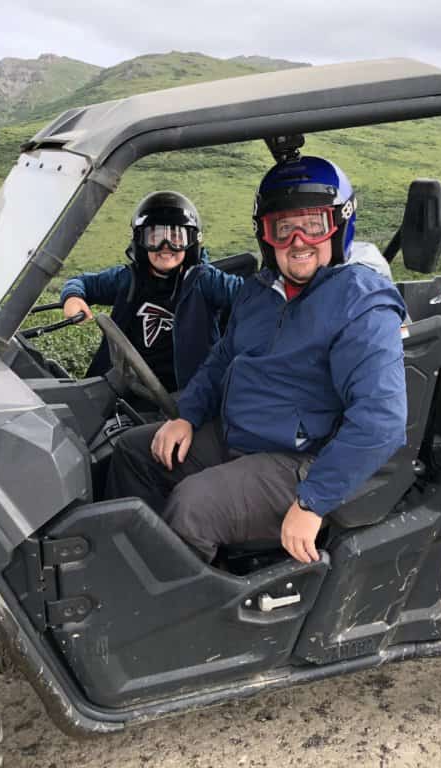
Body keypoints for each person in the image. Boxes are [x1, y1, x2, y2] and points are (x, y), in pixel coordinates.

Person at [105, 156, 408, 564]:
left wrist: (311, 502)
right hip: (241, 435)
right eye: (283, 229)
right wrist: (187, 417)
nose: (297, 240)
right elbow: (221, 360)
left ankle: (172, 615)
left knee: (193, 507)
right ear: (267, 237)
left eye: (313, 225)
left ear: (340, 225)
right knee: (133, 452)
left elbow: (381, 420)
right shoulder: (261, 291)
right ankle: (126, 563)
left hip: (303, 460)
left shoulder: (360, 304)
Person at [60, 191, 243, 393]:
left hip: (186, 398)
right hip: (124, 390)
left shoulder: (205, 280)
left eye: (176, 237)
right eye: (155, 237)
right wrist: (73, 297)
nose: (166, 247)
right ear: (140, 241)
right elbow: (82, 282)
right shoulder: (129, 278)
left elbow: (252, 296)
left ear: (192, 241)